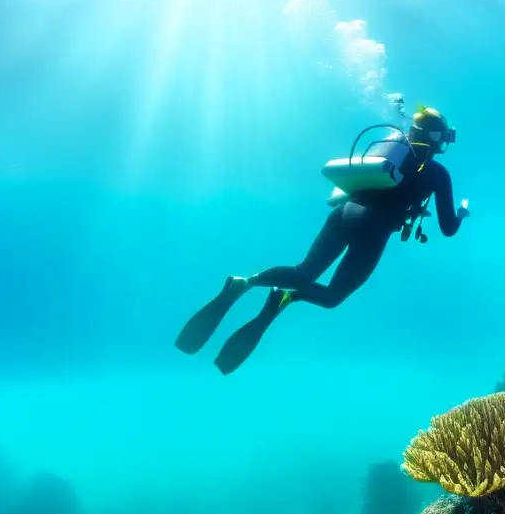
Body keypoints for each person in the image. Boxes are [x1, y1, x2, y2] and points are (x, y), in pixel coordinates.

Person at [174, 104, 470, 375]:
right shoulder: (437, 174)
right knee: (331, 297)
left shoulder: (391, 151)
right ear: (437, 138)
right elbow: (448, 229)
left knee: (303, 271)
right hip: (373, 228)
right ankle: (286, 296)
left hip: (345, 212)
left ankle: (245, 282)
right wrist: (461, 214)